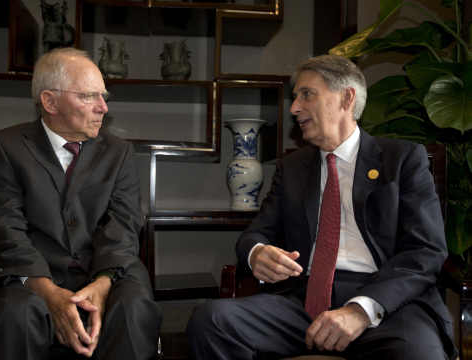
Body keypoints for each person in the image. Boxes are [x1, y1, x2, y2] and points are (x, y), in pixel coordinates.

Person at [187, 55, 458, 360]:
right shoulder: (291, 168)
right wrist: (257, 253)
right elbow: (256, 234)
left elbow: (425, 250)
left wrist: (360, 309)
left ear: (346, 97)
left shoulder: (402, 159)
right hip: (306, 302)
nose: (294, 108)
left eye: (307, 94)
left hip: (390, 303)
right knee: (211, 320)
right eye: (294, 98)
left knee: (418, 355)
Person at [0, 47, 162, 360]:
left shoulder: (119, 152)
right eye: (88, 96)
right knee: (17, 312)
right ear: (50, 101)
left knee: (133, 305)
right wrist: (47, 292)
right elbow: (0, 228)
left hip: (103, 273)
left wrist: (102, 284)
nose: (103, 108)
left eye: (104, 95)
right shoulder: (3, 147)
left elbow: (123, 225)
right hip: (26, 279)